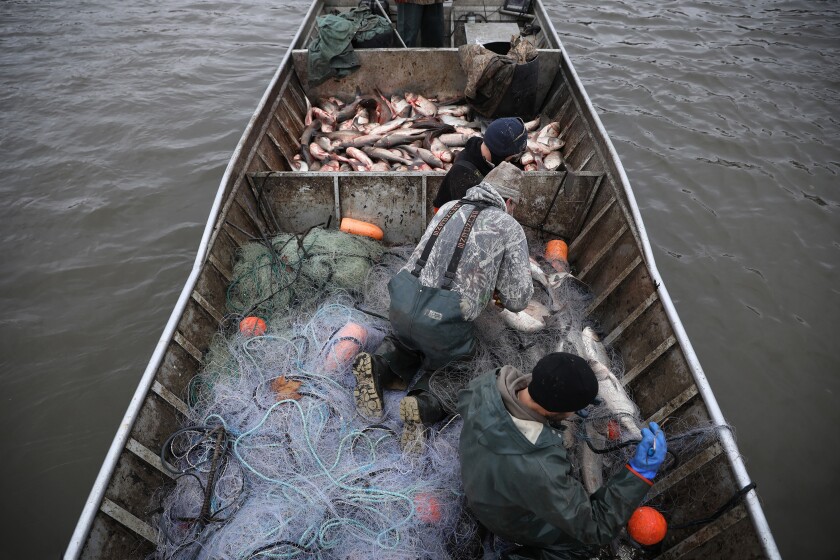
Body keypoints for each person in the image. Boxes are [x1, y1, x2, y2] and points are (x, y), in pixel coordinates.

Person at [352, 162, 534, 451]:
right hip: (442, 321)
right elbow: (518, 300)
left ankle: (379, 366)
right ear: (509, 202)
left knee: (407, 341)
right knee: (462, 368)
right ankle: (424, 404)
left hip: (402, 302)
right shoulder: (508, 226)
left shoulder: (449, 206)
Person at [457, 352, 668, 559]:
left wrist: (566, 403)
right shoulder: (541, 468)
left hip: (479, 476)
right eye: (574, 409)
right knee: (583, 545)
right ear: (556, 410)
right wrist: (640, 472)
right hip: (497, 515)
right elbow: (596, 527)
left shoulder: (489, 382)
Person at [433, 117, 528, 211]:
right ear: (501, 154)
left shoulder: (478, 151)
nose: (511, 161)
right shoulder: (464, 174)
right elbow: (472, 219)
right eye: (512, 157)